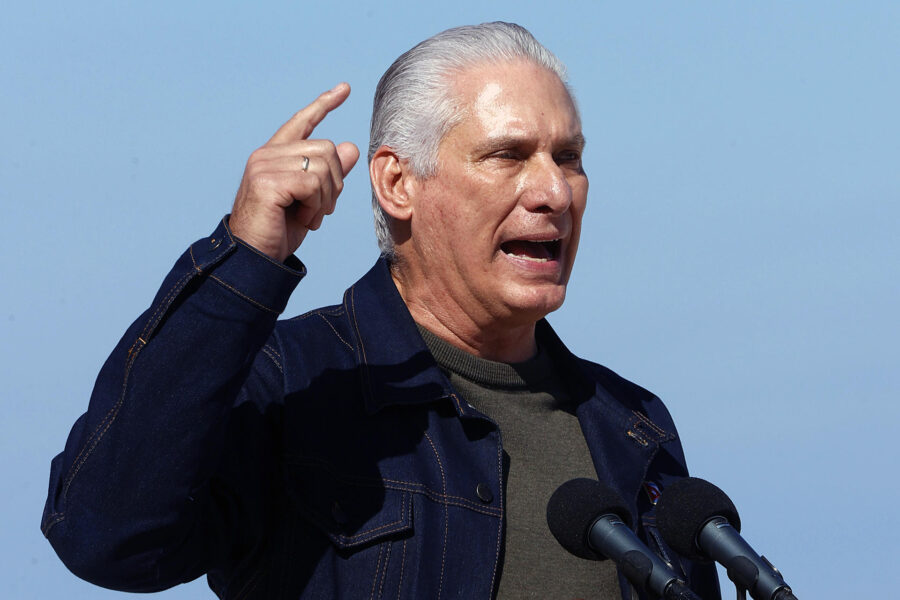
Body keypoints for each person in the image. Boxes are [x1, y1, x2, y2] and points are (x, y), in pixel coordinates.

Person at [42, 22, 719, 599]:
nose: (554, 192)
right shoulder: (292, 384)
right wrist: (244, 259)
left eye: (568, 158)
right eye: (508, 155)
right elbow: (106, 537)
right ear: (398, 182)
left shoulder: (634, 426)